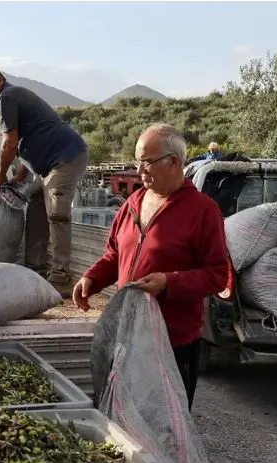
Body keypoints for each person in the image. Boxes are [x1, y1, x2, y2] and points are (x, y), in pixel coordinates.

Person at [72, 123, 230, 410]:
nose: (140, 170)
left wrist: (169, 283)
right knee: (125, 415)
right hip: (128, 334)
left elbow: (217, 276)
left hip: (172, 344)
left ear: (174, 162)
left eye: (147, 162)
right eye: (137, 161)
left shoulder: (202, 211)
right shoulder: (132, 203)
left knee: (167, 427)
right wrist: (91, 279)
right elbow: (114, 255)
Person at [0, 63, 88, 297]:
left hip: (65, 157)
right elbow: (27, 138)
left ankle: (61, 277)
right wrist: (20, 175)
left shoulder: (7, 98)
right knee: (35, 206)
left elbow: (10, 143)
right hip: (46, 166)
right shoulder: (11, 97)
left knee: (56, 213)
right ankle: (36, 268)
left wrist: (0, 175)